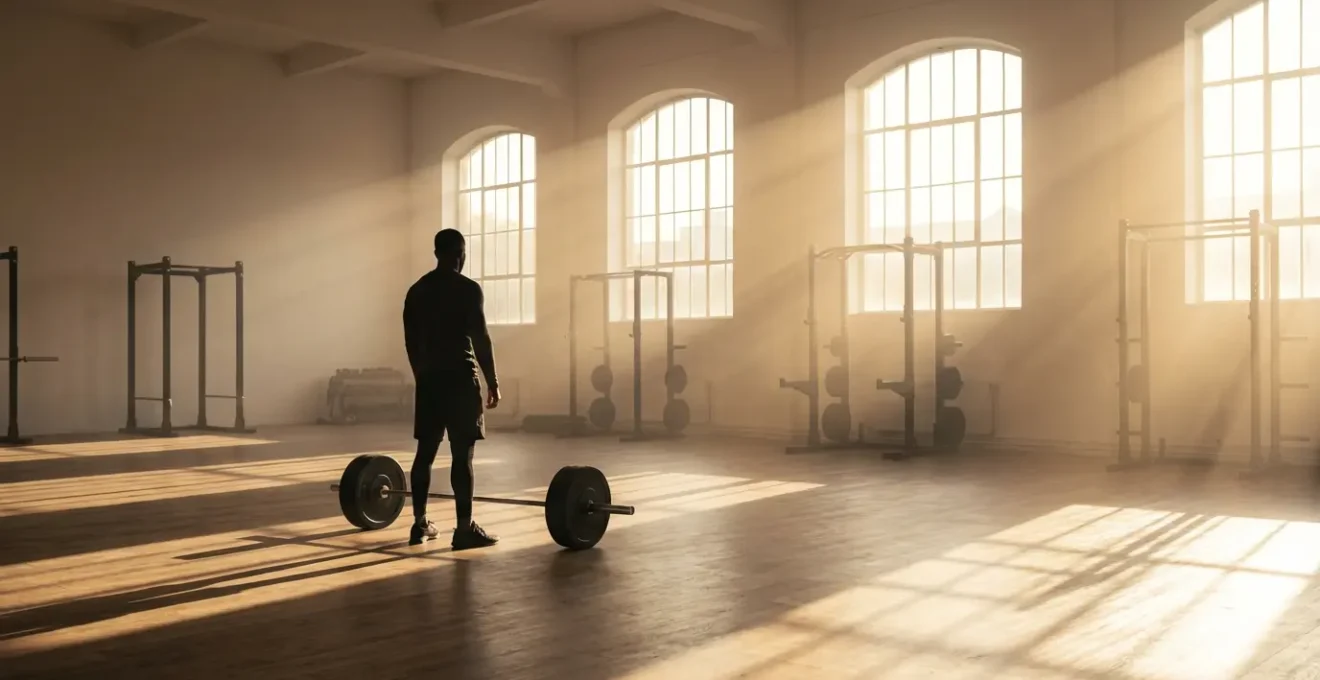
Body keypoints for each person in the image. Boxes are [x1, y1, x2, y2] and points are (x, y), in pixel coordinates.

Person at [402, 228, 501, 549]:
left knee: (425, 453)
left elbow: (411, 343)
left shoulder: (417, 291)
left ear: (436, 253)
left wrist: (422, 376)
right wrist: (493, 381)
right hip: (461, 380)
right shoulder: (468, 290)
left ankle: (419, 524)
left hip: (430, 381)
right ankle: (463, 529)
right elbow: (480, 338)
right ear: (461, 254)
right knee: (462, 456)